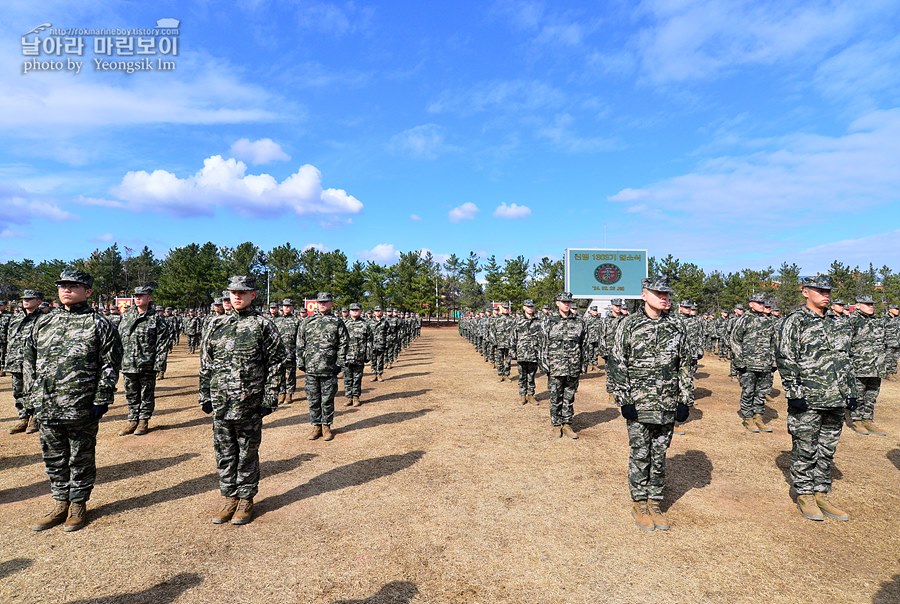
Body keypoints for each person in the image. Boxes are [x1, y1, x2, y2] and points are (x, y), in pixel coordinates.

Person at [25, 270, 123, 532]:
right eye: (62, 286)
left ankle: (78, 504)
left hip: (81, 405)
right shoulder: (43, 323)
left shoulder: (98, 323)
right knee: (54, 458)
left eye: (73, 286)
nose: (66, 290)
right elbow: (29, 361)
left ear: (88, 291)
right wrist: (30, 398)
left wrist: (102, 398)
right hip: (46, 404)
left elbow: (110, 364)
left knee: (80, 456)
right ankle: (60, 503)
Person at [199, 275, 285, 526]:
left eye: (242, 292)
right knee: (225, 454)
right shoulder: (216, 324)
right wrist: (204, 394)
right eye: (233, 292)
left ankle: (246, 499)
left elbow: (277, 362)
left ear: (252, 295)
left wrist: (270, 396)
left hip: (249, 403)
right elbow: (206, 363)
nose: (237, 296)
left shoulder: (263, 325)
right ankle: (229, 498)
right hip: (221, 402)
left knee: (247, 452)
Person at [610, 276, 693, 531]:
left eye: (667, 293)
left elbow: (686, 365)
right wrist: (625, 399)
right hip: (639, 402)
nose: (664, 297)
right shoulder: (629, 325)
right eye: (659, 293)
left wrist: (684, 399)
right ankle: (639, 502)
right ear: (644, 295)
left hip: (667, 402)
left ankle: (655, 501)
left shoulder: (677, 327)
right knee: (640, 454)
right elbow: (617, 362)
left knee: (659, 454)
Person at [776, 275, 858, 522]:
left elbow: (846, 358)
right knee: (805, 446)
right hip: (809, 398)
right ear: (805, 292)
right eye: (820, 290)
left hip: (836, 397)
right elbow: (785, 358)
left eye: (828, 291)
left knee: (827, 449)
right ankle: (804, 494)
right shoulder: (795, 321)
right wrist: (794, 393)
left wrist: (851, 391)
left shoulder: (838, 322)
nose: (826, 294)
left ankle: (821, 492)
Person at [117, 286, 170, 436]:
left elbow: (162, 343)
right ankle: (132, 420)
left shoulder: (156, 318)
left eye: (142, 295)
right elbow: (120, 338)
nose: (138, 297)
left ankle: (143, 420)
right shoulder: (127, 316)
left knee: (146, 393)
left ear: (149, 298)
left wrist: (159, 364)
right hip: (128, 363)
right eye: (136, 295)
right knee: (131, 393)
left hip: (147, 362)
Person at [297, 292, 348, 442]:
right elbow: (300, 343)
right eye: (320, 302)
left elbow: (343, 344)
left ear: (331, 303)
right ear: (316, 304)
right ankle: (316, 426)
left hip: (329, 368)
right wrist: (301, 363)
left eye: (326, 302)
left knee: (327, 399)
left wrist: (339, 363)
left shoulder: (337, 322)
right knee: (313, 399)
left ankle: (326, 426)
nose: (323, 305)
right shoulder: (307, 321)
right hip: (311, 368)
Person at [543, 292, 586, 440]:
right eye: (563, 302)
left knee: (569, 396)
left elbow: (583, 344)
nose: (566, 304)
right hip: (555, 365)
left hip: (573, 365)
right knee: (555, 396)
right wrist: (545, 364)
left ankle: (567, 423)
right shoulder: (549, 321)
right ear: (557, 303)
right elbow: (543, 344)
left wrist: (583, 364)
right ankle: (556, 424)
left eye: (568, 302)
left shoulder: (579, 322)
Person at [730, 293, 776, 433]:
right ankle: (748, 418)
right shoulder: (744, 319)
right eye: (759, 303)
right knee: (748, 392)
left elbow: (773, 342)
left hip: (765, 364)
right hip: (748, 364)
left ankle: (758, 417)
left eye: (764, 303)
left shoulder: (768, 321)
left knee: (761, 393)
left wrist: (773, 361)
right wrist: (740, 361)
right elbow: (735, 340)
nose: (762, 305)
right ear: (751, 304)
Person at [846, 295, 888, 436]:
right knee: (858, 394)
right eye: (867, 304)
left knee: (872, 394)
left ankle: (868, 419)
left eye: (872, 304)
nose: (871, 306)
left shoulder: (877, 322)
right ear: (857, 305)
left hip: (876, 365)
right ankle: (857, 420)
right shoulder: (852, 321)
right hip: (859, 365)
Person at [6, 290, 44, 435]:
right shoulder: (16, 319)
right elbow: (11, 340)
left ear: (39, 301)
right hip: (16, 361)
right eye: (24, 299)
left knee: (34, 390)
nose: (26, 301)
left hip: (34, 362)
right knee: (18, 390)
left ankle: (35, 418)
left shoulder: (44, 319)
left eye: (30, 298)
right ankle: (23, 417)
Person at [511, 300, 543, 405]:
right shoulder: (517, 321)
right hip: (521, 352)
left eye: (531, 306)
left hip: (534, 353)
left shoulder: (539, 321)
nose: (530, 308)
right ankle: (522, 395)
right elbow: (513, 337)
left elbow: (542, 337)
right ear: (524, 307)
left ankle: (531, 395)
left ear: (534, 308)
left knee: (532, 376)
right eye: (528, 306)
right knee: (522, 375)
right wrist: (513, 350)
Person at [273, 298, 302, 404]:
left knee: (290, 374)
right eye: (285, 306)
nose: (287, 308)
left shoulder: (297, 321)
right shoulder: (276, 320)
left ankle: (289, 393)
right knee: (279, 374)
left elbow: (299, 338)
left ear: (292, 307)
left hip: (291, 352)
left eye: (289, 306)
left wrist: (298, 353)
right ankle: (281, 393)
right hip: (278, 353)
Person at [343, 303, 372, 407]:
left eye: (357, 309)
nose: (354, 311)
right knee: (347, 378)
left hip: (359, 356)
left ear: (360, 311)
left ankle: (356, 397)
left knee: (357, 378)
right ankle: (348, 397)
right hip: (346, 356)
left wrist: (368, 355)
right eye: (352, 310)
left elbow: (369, 340)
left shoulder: (365, 324)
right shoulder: (344, 323)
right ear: (349, 311)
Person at [369, 306, 388, 381]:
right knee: (373, 360)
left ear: (382, 312)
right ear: (374, 312)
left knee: (380, 360)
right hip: (372, 344)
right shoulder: (369, 321)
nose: (378, 312)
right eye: (376, 311)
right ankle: (374, 374)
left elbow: (388, 333)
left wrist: (386, 343)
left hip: (381, 343)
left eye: (379, 311)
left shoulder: (385, 321)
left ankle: (379, 374)